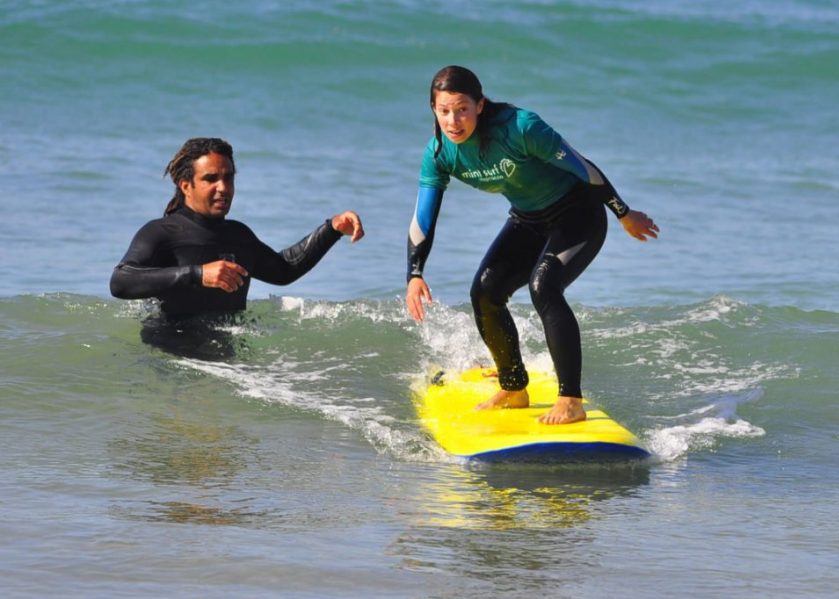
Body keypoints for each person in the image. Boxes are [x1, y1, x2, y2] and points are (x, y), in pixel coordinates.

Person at [405, 66, 659, 425]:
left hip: (579, 214)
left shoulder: (521, 128)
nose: (453, 121)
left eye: (462, 109)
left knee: (545, 286)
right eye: (444, 110)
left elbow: (584, 168)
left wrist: (623, 213)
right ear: (433, 109)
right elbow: (423, 217)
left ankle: (571, 400)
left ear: (480, 105)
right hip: (528, 220)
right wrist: (415, 274)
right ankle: (513, 389)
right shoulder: (438, 154)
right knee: (485, 292)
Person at [110, 137, 364, 334]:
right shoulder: (162, 232)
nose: (223, 188)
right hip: (171, 355)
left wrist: (331, 229)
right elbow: (121, 281)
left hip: (228, 361)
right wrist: (198, 274)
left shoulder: (238, 235)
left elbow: (284, 270)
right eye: (211, 179)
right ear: (186, 186)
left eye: (228, 178)